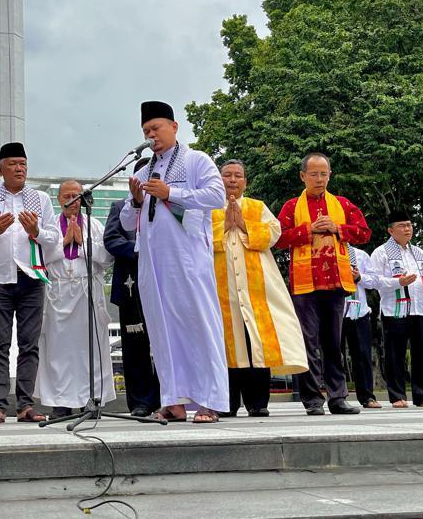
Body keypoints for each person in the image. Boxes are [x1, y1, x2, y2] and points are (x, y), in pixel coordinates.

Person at [120, 101, 228, 423]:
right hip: (152, 263)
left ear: (174, 127)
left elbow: (216, 197)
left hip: (188, 258)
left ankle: (210, 400)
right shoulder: (142, 171)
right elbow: (127, 222)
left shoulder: (196, 161)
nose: (151, 135)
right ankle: (173, 400)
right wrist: (138, 201)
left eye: (156, 128)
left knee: (198, 324)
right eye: (146, 131)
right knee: (161, 328)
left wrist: (171, 192)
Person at [275, 152, 371, 416]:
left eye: (324, 174)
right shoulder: (292, 207)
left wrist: (339, 228)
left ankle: (338, 397)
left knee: (333, 343)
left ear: (330, 175)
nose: (320, 179)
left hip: (336, 282)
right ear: (303, 176)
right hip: (304, 284)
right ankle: (312, 399)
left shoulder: (341, 204)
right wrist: (308, 230)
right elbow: (278, 238)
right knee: (308, 342)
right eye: (314, 174)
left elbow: (364, 232)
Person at [0, 142, 58, 424]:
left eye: (23, 164)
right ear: (0, 169)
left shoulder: (40, 199)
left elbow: (54, 238)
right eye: (13, 164)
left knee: (29, 344)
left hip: (32, 279)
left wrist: (37, 231)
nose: (19, 168)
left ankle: (25, 405)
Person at [211, 160, 308, 418]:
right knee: (226, 345)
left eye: (238, 176)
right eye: (227, 175)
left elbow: (274, 233)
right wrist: (224, 225)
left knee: (256, 344)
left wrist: (243, 224)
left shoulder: (257, 206)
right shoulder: (208, 207)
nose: (232, 180)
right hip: (221, 289)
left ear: (245, 181)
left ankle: (257, 402)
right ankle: (227, 403)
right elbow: (196, 239)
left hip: (256, 289)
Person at [36, 180, 115, 419]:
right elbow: (39, 256)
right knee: (58, 351)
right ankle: (60, 402)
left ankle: (91, 399)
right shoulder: (49, 227)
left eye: (77, 195)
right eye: (67, 195)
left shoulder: (95, 224)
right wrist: (64, 242)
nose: (72, 200)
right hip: (58, 292)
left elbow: (107, 258)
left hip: (87, 290)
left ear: (82, 199)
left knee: (89, 348)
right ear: (59, 199)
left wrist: (82, 242)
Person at [103, 158, 161, 418]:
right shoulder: (120, 207)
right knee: (135, 347)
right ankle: (140, 401)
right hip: (130, 286)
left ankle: (165, 398)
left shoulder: (166, 206)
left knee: (162, 343)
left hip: (162, 286)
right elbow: (112, 240)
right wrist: (141, 251)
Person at [369, 210, 423, 408]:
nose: (407, 229)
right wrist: (398, 282)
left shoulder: (418, 252)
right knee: (395, 354)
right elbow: (375, 281)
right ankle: (397, 395)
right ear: (391, 230)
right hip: (395, 310)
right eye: (402, 226)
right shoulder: (381, 252)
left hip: (420, 308)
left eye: (409, 225)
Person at [342, 244, 381, 409]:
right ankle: (337, 395)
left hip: (359, 310)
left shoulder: (360, 255)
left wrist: (359, 277)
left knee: (362, 354)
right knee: (334, 355)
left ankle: (367, 396)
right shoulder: (324, 253)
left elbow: (373, 281)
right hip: (335, 310)